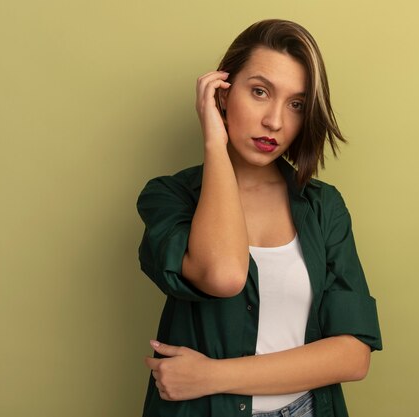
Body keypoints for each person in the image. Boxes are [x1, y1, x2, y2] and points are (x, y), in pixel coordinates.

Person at [136, 19, 382, 417]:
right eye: (259, 92)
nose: (275, 121)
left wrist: (211, 376)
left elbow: (353, 356)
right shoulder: (169, 198)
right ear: (222, 93)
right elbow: (224, 274)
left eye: (296, 104)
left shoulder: (324, 208)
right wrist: (214, 143)